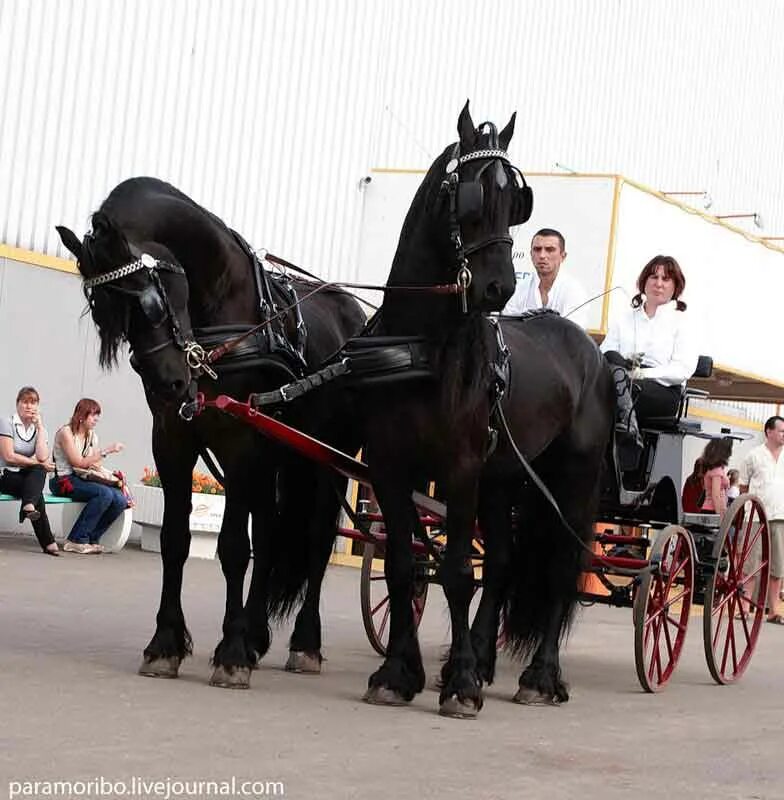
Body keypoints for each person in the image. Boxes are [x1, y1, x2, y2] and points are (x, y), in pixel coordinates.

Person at [601, 255, 699, 450]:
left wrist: (642, 374)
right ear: (644, 281)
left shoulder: (683, 322)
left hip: (661, 390)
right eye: (654, 277)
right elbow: (605, 351)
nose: (659, 284)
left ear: (675, 286)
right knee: (609, 365)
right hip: (622, 377)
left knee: (623, 387)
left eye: (666, 279)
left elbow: (682, 370)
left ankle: (629, 430)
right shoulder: (625, 318)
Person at [50, 398, 127, 554]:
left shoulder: (92, 436)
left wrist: (110, 475)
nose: (96, 419)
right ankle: (76, 539)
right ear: (81, 415)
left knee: (120, 499)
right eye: (93, 415)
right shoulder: (66, 433)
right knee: (103, 494)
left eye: (97, 415)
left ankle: (91, 538)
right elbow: (77, 462)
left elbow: (93, 464)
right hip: (63, 480)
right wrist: (106, 451)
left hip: (82, 478)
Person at [0, 386, 59, 555]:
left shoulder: (38, 429)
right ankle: (48, 542)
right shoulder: (6, 422)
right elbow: (9, 456)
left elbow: (42, 456)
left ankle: (28, 505)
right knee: (36, 490)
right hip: (4, 473)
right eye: (25, 402)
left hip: (22, 475)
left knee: (38, 471)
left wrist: (40, 428)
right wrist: (36, 463)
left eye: (33, 403)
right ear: (17, 404)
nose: (29, 406)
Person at [739, 415, 784, 624]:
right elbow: (743, 487)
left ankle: (774, 609)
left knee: (778, 565)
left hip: (781, 515)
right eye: (781, 431)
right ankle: (745, 606)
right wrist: (748, 508)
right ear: (769, 432)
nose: (783, 435)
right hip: (756, 516)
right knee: (751, 562)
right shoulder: (753, 455)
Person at [504, 228, 589, 328]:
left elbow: (572, 335)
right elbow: (507, 328)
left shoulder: (574, 291)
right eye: (537, 249)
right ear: (531, 254)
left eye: (550, 250)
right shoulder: (519, 289)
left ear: (563, 256)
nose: (542, 255)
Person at [699, 438, 733, 516]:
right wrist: (719, 516)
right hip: (713, 510)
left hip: (710, 509)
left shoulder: (712, 469)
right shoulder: (717, 471)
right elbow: (716, 495)